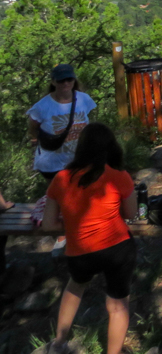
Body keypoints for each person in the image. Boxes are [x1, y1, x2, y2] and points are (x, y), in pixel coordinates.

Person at [40, 123, 137, 354]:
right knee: (117, 305)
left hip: (79, 252)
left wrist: (74, 223)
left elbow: (48, 225)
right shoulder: (119, 176)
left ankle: (59, 342)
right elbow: (132, 214)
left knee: (75, 287)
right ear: (110, 147)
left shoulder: (61, 179)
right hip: (117, 249)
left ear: (80, 148)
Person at [27, 64, 97, 255]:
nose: (66, 83)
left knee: (79, 196)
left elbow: (89, 120)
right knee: (61, 198)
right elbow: (33, 125)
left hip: (78, 157)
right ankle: (62, 236)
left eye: (69, 79)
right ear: (53, 82)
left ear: (74, 80)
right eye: (61, 80)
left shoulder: (84, 99)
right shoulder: (43, 106)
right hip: (52, 160)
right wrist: (39, 138)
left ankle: (79, 236)